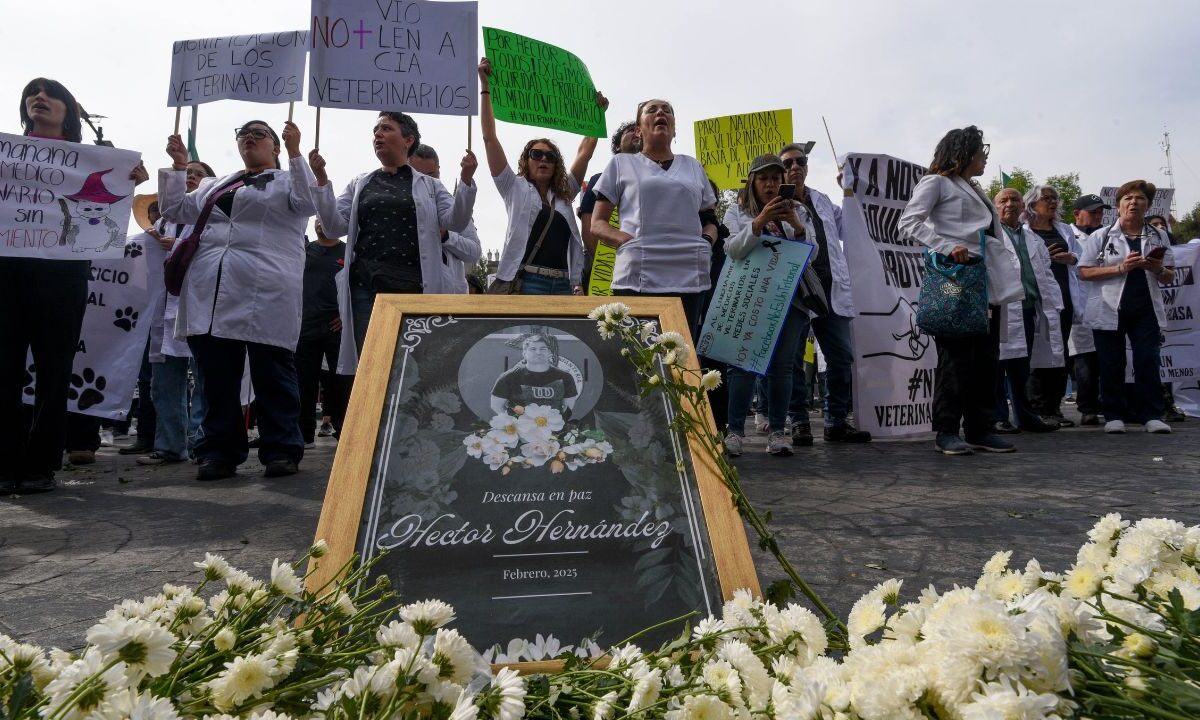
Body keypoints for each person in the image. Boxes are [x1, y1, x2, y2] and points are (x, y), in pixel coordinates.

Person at [1, 78, 146, 494]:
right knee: (4, 371)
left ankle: (40, 466)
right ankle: (4, 464)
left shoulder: (94, 161)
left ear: (67, 109)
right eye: (32, 93)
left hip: (62, 277)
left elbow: (100, 211)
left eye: (49, 94)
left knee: (54, 369)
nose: (38, 98)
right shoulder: (6, 154)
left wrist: (126, 181)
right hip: (7, 273)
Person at [160, 119, 317, 481]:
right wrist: (179, 166)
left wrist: (296, 152)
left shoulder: (289, 180)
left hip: (266, 285)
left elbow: (309, 202)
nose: (249, 137)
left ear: (275, 147)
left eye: (259, 133)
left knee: (272, 371)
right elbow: (174, 211)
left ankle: (280, 448)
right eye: (243, 133)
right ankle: (218, 451)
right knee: (216, 376)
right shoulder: (217, 184)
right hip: (211, 286)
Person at [308, 112, 477, 373]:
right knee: (372, 364)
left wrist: (465, 180)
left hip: (413, 287)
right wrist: (320, 179)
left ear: (408, 140)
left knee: (413, 366)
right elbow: (333, 226)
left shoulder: (430, 186)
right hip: (366, 287)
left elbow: (455, 220)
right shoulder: (360, 183)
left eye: (386, 129)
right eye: (376, 130)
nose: (378, 134)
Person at [898, 126, 1024, 456]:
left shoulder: (974, 189)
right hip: (955, 280)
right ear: (964, 152)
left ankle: (981, 428)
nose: (985, 157)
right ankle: (946, 430)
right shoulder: (936, 183)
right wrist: (946, 245)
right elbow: (908, 222)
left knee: (986, 358)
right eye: (981, 150)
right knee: (955, 356)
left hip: (985, 281)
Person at [589, 98, 719, 337]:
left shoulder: (693, 167)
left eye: (667, 110)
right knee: (640, 356)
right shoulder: (621, 164)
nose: (661, 113)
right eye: (652, 110)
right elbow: (597, 223)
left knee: (681, 353)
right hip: (638, 270)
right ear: (638, 130)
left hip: (689, 272)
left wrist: (706, 241)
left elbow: (710, 218)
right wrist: (624, 240)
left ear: (674, 126)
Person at [478, 58, 603, 296]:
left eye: (550, 156)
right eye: (536, 154)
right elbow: (489, 137)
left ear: (557, 164)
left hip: (564, 286)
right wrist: (485, 87)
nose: (544, 159)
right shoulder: (513, 187)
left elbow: (585, 152)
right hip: (528, 283)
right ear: (526, 160)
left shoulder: (565, 194)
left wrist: (596, 113)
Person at [778, 142, 870, 445]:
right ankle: (799, 422)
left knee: (841, 358)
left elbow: (849, 228)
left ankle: (836, 421)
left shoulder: (823, 200)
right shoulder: (777, 203)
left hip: (831, 290)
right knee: (792, 360)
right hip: (797, 291)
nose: (795, 168)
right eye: (788, 163)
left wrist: (849, 191)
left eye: (800, 162)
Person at [720, 155, 812, 457]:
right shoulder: (736, 211)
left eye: (776, 178)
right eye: (764, 179)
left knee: (783, 367)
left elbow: (813, 256)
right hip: (751, 297)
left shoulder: (798, 210)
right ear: (752, 183)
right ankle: (735, 432)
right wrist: (759, 223)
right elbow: (732, 250)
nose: (771, 185)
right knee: (743, 364)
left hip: (791, 298)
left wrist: (796, 227)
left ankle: (777, 432)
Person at [1078, 180, 1175, 434]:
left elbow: (1170, 276)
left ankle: (1152, 415)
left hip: (1145, 310)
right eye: (1128, 199)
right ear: (1119, 206)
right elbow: (1084, 272)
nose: (1133, 203)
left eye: (1139, 199)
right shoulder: (1101, 236)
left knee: (1148, 361)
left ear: (1148, 205)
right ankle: (1113, 415)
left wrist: (1157, 268)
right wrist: (1121, 268)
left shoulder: (1158, 235)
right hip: (1110, 307)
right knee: (1111, 363)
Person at [139, 162, 216, 466]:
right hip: (165, 308)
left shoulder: (215, 214)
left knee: (205, 380)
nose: (190, 178)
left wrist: (184, 245)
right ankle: (170, 446)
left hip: (199, 304)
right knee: (164, 382)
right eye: (186, 173)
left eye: (197, 174)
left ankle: (201, 442)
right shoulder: (162, 223)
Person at [992, 188, 1062, 434]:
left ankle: (1026, 416)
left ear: (1024, 205)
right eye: (1003, 200)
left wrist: (1055, 306)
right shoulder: (989, 235)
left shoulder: (1034, 239)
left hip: (1028, 309)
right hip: (1000, 311)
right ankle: (997, 417)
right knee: (997, 368)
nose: (1010, 204)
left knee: (1022, 368)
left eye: (1015, 199)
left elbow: (1046, 274)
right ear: (995, 206)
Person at [1019, 185, 1082, 428]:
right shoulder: (1024, 232)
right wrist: (1042, 255)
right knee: (1036, 353)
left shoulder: (1065, 230)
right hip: (1036, 300)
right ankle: (1036, 407)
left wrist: (1071, 258)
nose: (1052, 202)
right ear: (1032, 204)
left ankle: (1054, 408)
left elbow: (1081, 256)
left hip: (1062, 299)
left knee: (1060, 353)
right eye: (1046, 198)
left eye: (1054, 198)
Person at [294, 219, 350, 448]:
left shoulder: (349, 251)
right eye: (317, 219)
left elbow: (356, 286)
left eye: (324, 218)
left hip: (336, 326)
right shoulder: (304, 250)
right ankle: (304, 434)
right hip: (305, 325)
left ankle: (344, 430)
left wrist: (345, 315)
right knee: (303, 382)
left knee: (340, 382)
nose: (320, 223)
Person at [409, 144, 482, 294]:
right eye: (418, 176)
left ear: (439, 171)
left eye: (431, 176)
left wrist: (446, 236)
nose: (426, 182)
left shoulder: (453, 206)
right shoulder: (397, 205)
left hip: (451, 300)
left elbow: (474, 252)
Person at [1068, 194, 1107, 426]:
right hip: (1079, 304)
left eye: (1100, 212)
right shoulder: (1067, 235)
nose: (1098, 216)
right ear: (1077, 214)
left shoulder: (1108, 235)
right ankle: (1087, 407)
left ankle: (1110, 402)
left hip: (1106, 303)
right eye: (1093, 212)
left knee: (1109, 358)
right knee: (1084, 360)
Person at [579, 121, 639, 258]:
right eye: (630, 130)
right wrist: (598, 262)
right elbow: (588, 224)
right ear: (618, 146)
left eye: (640, 131)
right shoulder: (599, 180)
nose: (636, 133)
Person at [490, 332, 579, 416]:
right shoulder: (508, 377)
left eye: (543, 349)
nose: (538, 352)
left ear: (549, 353)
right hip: (521, 429)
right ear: (524, 353)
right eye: (533, 349)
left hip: (552, 429)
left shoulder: (565, 377)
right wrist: (512, 422)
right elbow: (496, 405)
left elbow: (567, 408)